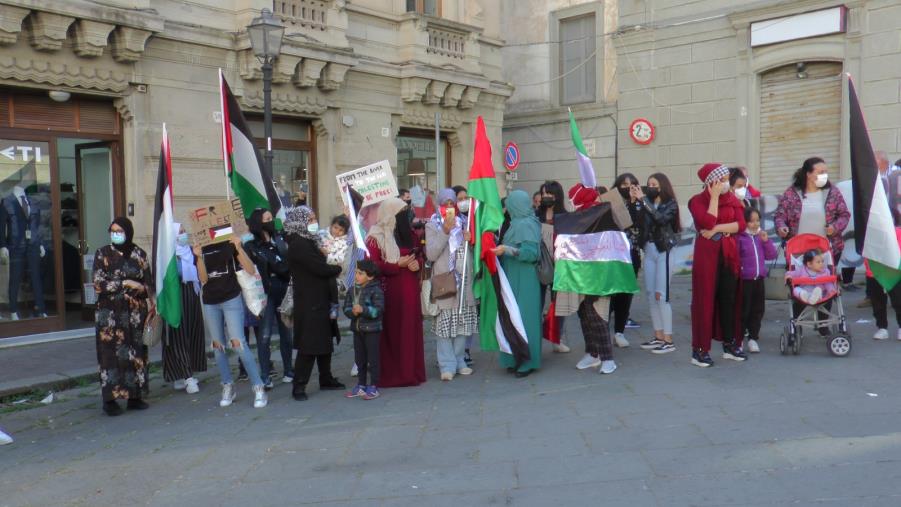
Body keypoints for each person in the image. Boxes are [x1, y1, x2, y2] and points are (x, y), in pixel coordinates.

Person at [194, 235, 268, 408]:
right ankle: (227, 385)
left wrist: (239, 248)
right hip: (211, 301)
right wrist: (198, 257)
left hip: (231, 299)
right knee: (218, 346)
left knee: (238, 343)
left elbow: (250, 269)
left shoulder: (229, 242)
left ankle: (258, 387)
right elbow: (203, 279)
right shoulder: (202, 247)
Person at [688, 163, 748, 367]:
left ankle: (730, 343)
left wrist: (716, 230)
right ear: (710, 181)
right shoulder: (696, 201)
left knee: (729, 299)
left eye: (725, 180)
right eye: (721, 180)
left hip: (729, 255)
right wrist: (713, 198)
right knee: (705, 300)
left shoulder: (733, 200)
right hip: (707, 255)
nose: (725, 184)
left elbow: (740, 225)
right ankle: (700, 349)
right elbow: (706, 220)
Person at [93, 217, 154, 416]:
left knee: (135, 353)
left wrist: (142, 289)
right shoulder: (102, 253)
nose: (115, 234)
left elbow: (148, 285)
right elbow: (99, 284)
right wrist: (126, 283)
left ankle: (135, 396)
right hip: (109, 314)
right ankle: (110, 400)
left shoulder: (139, 254)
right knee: (110, 355)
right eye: (112, 230)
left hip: (135, 313)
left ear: (128, 232)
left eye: (119, 230)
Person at [283, 206, 345, 400]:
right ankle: (299, 386)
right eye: (309, 220)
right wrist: (337, 268)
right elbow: (318, 267)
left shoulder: (309, 240)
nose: (313, 223)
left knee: (324, 340)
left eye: (314, 219)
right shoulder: (298, 243)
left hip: (320, 298)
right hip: (309, 300)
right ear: (300, 222)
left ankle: (326, 378)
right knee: (309, 345)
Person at [366, 197, 427, 387]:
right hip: (389, 291)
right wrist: (395, 265)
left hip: (410, 289)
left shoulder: (410, 233)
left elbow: (420, 254)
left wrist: (419, 264)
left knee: (410, 330)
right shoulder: (375, 236)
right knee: (393, 331)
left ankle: (411, 373)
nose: (405, 216)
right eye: (401, 213)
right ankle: (393, 374)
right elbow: (372, 264)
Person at [426, 188, 478, 381]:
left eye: (452, 203)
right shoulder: (432, 225)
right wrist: (445, 232)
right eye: (445, 203)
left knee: (462, 323)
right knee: (444, 324)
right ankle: (446, 364)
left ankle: (459, 360)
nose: (449, 206)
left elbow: (472, 251)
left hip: (463, 278)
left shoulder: (464, 222)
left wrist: (470, 241)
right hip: (444, 279)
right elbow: (431, 254)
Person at [567, 183, 617, 374]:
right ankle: (592, 352)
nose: (571, 203)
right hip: (581, 272)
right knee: (583, 313)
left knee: (596, 314)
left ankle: (607, 358)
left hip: (599, 273)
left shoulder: (601, 214)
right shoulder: (579, 216)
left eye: (573, 198)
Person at [493, 190, 543, 378]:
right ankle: (514, 357)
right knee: (511, 316)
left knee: (525, 318)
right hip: (512, 276)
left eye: (510, 204)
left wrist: (507, 250)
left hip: (525, 277)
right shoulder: (517, 223)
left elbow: (531, 254)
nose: (507, 208)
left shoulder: (526, 224)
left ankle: (527, 361)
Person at [244, 209, 293, 387]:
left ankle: (289, 370)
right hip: (265, 294)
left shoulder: (280, 240)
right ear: (258, 223)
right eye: (267, 219)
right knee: (264, 336)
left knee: (286, 334)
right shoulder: (251, 246)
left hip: (283, 290)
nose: (271, 222)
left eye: (271, 218)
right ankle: (265, 376)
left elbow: (286, 265)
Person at [774, 157, 850, 264]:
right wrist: (781, 227)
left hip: (827, 250)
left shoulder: (832, 192)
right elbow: (780, 215)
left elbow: (844, 215)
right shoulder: (791, 193)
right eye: (820, 172)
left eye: (826, 172)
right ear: (808, 174)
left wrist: (835, 227)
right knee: (801, 280)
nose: (825, 175)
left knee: (826, 279)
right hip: (798, 251)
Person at [637, 173, 681, 355]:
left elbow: (661, 219)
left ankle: (668, 340)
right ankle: (658, 336)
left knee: (661, 295)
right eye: (648, 184)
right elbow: (639, 223)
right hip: (649, 250)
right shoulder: (645, 203)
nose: (650, 187)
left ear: (662, 185)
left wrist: (644, 202)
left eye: (654, 184)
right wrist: (636, 203)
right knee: (650, 294)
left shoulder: (670, 203)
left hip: (664, 250)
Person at [163, 224, 207, 394]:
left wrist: (198, 256)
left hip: (192, 294)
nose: (183, 234)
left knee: (193, 332)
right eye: (179, 232)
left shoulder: (190, 251)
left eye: (183, 231)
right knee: (178, 335)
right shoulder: (168, 255)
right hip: (175, 296)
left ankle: (187, 373)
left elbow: (200, 273)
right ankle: (187, 377)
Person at [536, 180, 572, 354]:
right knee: (538, 301)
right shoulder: (536, 216)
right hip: (541, 265)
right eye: (543, 194)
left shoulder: (565, 216)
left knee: (559, 304)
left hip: (560, 265)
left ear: (557, 196)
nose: (545, 197)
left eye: (549, 194)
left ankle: (557, 338)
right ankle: (536, 337)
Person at [609, 173, 645, 347]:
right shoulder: (610, 203)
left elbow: (636, 224)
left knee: (625, 294)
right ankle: (602, 329)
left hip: (631, 256)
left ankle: (619, 331)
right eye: (624, 184)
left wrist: (634, 202)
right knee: (608, 294)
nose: (628, 188)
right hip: (611, 255)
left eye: (632, 185)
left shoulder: (639, 204)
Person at [738, 207, 777, 353]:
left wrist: (766, 241)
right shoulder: (740, 238)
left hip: (759, 279)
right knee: (743, 310)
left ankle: (753, 338)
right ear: (744, 222)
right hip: (745, 280)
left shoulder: (760, 237)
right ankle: (739, 338)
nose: (755, 224)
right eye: (751, 221)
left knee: (758, 310)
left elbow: (771, 255)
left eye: (757, 220)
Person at [344, 259, 385, 400]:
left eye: (360, 273)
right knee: (359, 359)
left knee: (373, 359)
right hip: (357, 330)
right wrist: (352, 312)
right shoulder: (352, 290)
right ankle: (361, 385)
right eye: (356, 273)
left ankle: (373, 386)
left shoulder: (376, 290)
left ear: (370, 276)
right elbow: (346, 308)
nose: (357, 276)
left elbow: (378, 310)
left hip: (372, 331)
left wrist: (363, 310)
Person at [453, 185, 477, 365]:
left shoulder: (472, 220)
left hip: (469, 273)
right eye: (460, 199)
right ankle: (451, 353)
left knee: (469, 312)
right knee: (452, 314)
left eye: (466, 198)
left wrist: (472, 238)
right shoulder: (444, 221)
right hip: (452, 275)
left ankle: (465, 350)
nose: (464, 202)